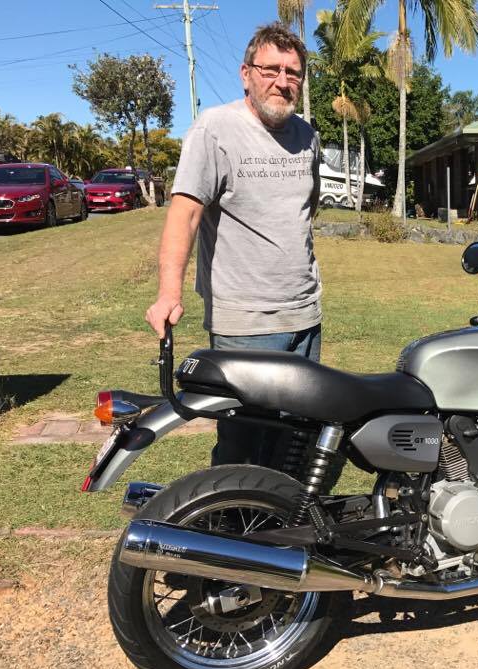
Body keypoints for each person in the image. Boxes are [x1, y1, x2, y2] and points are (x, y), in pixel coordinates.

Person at [145, 22, 321, 466]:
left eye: (293, 72)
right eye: (271, 69)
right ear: (246, 73)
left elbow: (303, 213)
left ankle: (284, 526)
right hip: (244, 324)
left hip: (305, 317)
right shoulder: (215, 129)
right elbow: (184, 214)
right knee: (244, 445)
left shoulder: (307, 137)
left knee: (296, 439)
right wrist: (169, 293)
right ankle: (229, 526)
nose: (283, 81)